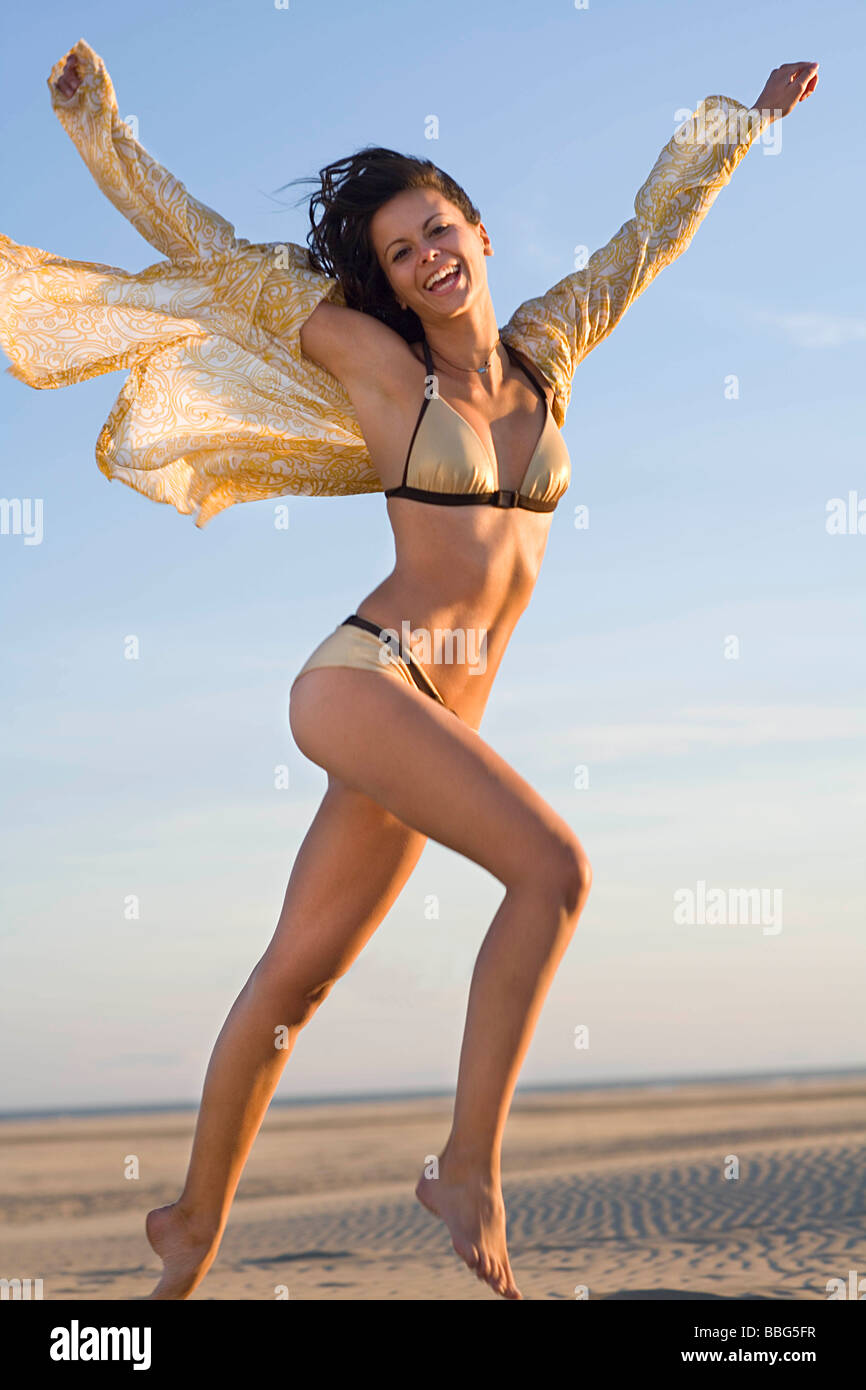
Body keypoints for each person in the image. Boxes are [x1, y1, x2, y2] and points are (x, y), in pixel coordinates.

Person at [4, 42, 817, 1301]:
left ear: (478, 233)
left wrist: (748, 123)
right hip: (364, 679)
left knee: (296, 975)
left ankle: (190, 1225)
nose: (426, 255)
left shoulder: (549, 349)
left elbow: (646, 235)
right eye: (398, 251)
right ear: (384, 279)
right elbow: (212, 245)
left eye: (437, 228)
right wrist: (99, 133)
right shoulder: (382, 369)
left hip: (434, 716)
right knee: (551, 870)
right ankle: (468, 1167)